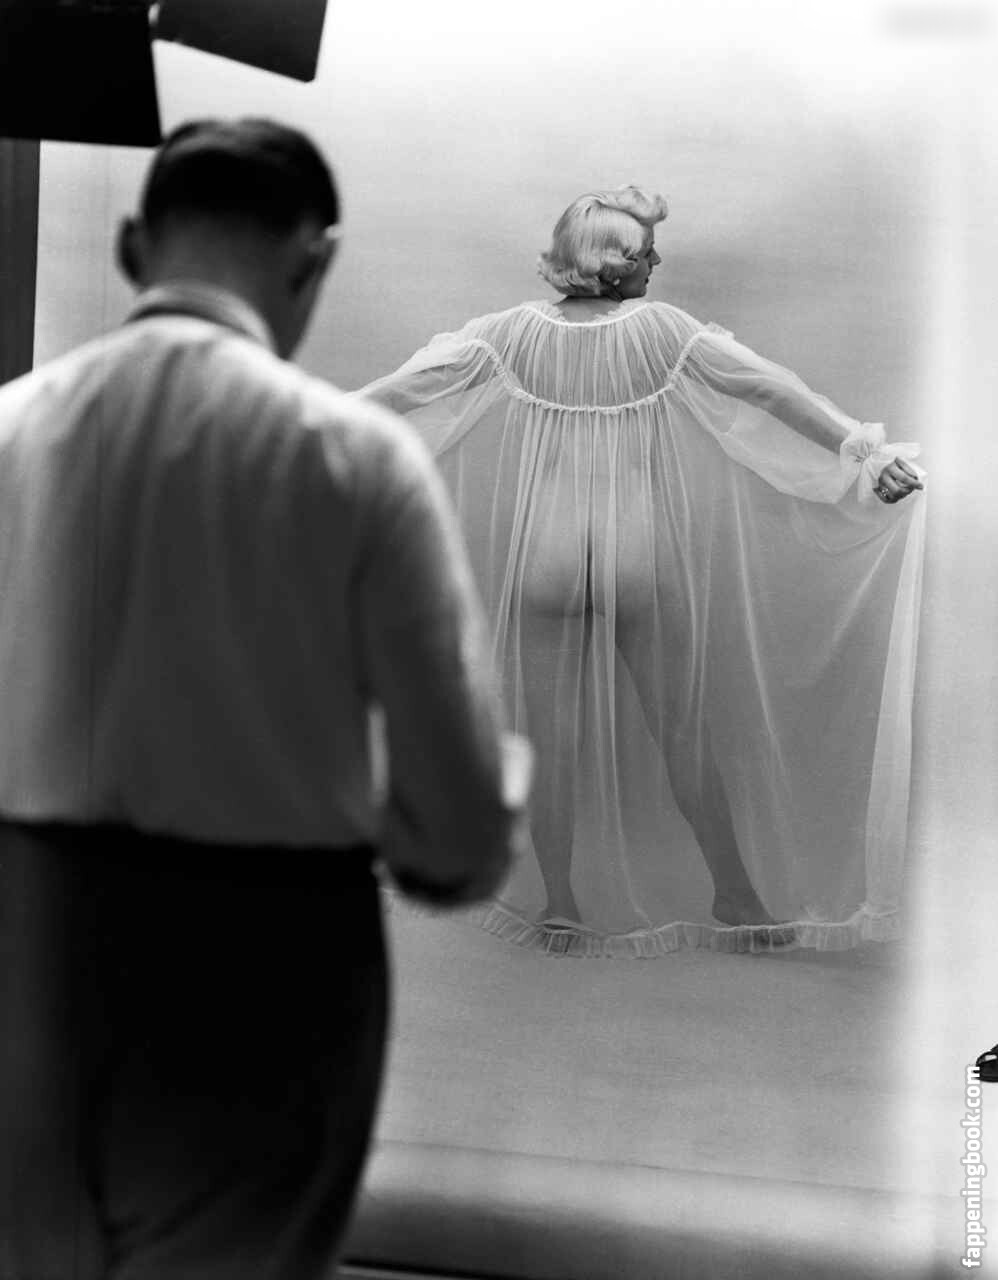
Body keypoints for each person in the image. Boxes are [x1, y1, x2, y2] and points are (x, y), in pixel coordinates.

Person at [0, 118, 528, 1280]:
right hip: (262, 965)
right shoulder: (356, 460)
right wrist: (437, 843)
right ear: (313, 260)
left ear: (133, 246)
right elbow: (454, 825)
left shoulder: (6, 432)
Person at [357, 185, 926, 959]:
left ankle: (560, 905)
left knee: (545, 740)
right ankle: (737, 895)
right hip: (636, 550)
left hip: (546, 554)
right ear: (610, 264)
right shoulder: (663, 333)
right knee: (685, 735)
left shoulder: (507, 336)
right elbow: (767, 387)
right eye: (644, 252)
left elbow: (400, 392)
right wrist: (865, 451)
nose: (655, 263)